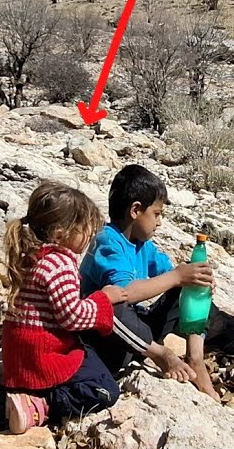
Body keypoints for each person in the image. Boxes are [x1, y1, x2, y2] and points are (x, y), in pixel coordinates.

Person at [80, 164, 221, 400]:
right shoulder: (107, 242)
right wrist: (177, 276)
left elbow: (174, 276)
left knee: (191, 289)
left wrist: (194, 281)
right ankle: (161, 355)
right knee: (111, 304)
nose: (160, 222)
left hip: (133, 339)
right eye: (156, 214)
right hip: (103, 342)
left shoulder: (142, 245)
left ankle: (195, 359)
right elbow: (124, 292)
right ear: (136, 210)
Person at [0, 181, 130, 434]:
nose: (89, 235)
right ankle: (41, 404)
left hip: (20, 356)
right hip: (43, 356)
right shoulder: (59, 264)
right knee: (105, 389)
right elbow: (73, 317)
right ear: (61, 234)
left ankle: (26, 394)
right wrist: (104, 299)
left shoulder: (34, 257)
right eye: (83, 229)